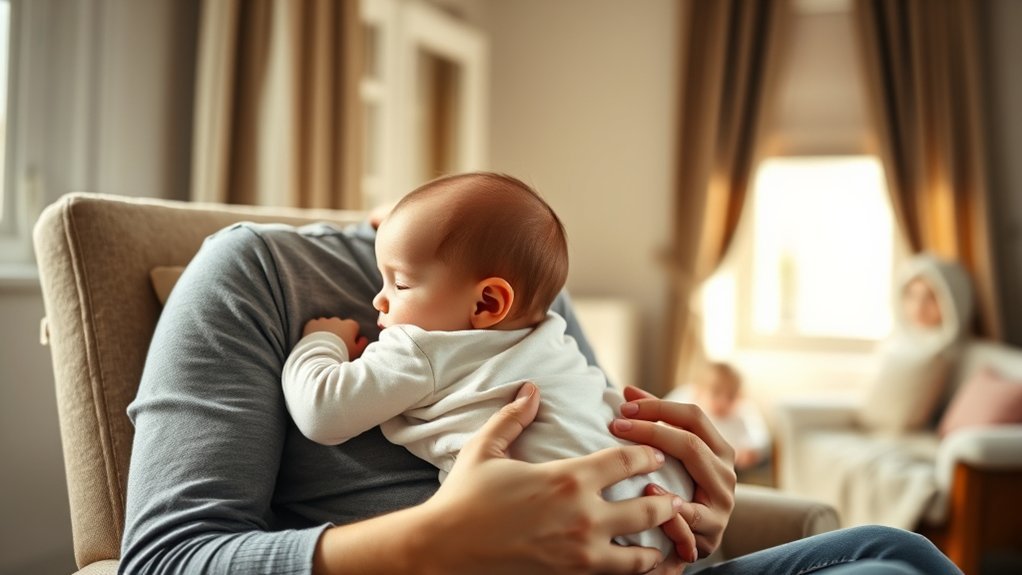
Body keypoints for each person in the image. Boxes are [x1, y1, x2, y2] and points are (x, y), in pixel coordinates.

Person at [120, 172, 965, 574]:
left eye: (399, 279)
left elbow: (586, 451)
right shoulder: (254, 271)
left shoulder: (527, 305)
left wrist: (676, 507)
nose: (380, 301)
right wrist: (432, 539)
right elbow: (164, 560)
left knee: (898, 549)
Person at [281, 173, 693, 557]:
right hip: (656, 512)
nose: (379, 300)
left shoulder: (424, 348)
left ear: (487, 303)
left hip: (553, 540)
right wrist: (406, 232)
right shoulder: (551, 334)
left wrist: (323, 341)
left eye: (400, 283)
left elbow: (323, 412)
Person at [668, 362, 771, 474]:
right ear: (699, 391)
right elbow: (663, 411)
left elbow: (760, 438)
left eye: (731, 396)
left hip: (726, 466)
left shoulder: (743, 413)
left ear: (739, 396)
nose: (723, 402)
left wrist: (750, 452)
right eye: (716, 392)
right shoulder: (687, 399)